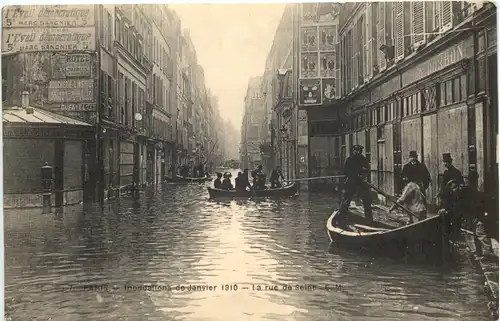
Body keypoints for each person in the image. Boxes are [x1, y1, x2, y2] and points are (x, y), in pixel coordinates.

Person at [338, 144, 373, 223]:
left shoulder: (363, 159)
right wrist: (354, 174)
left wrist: (362, 175)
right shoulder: (349, 159)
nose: (357, 152)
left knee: (367, 200)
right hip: (351, 182)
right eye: (356, 150)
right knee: (346, 201)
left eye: (359, 151)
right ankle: (341, 219)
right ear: (353, 151)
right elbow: (345, 171)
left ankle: (369, 220)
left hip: (361, 183)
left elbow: (366, 170)